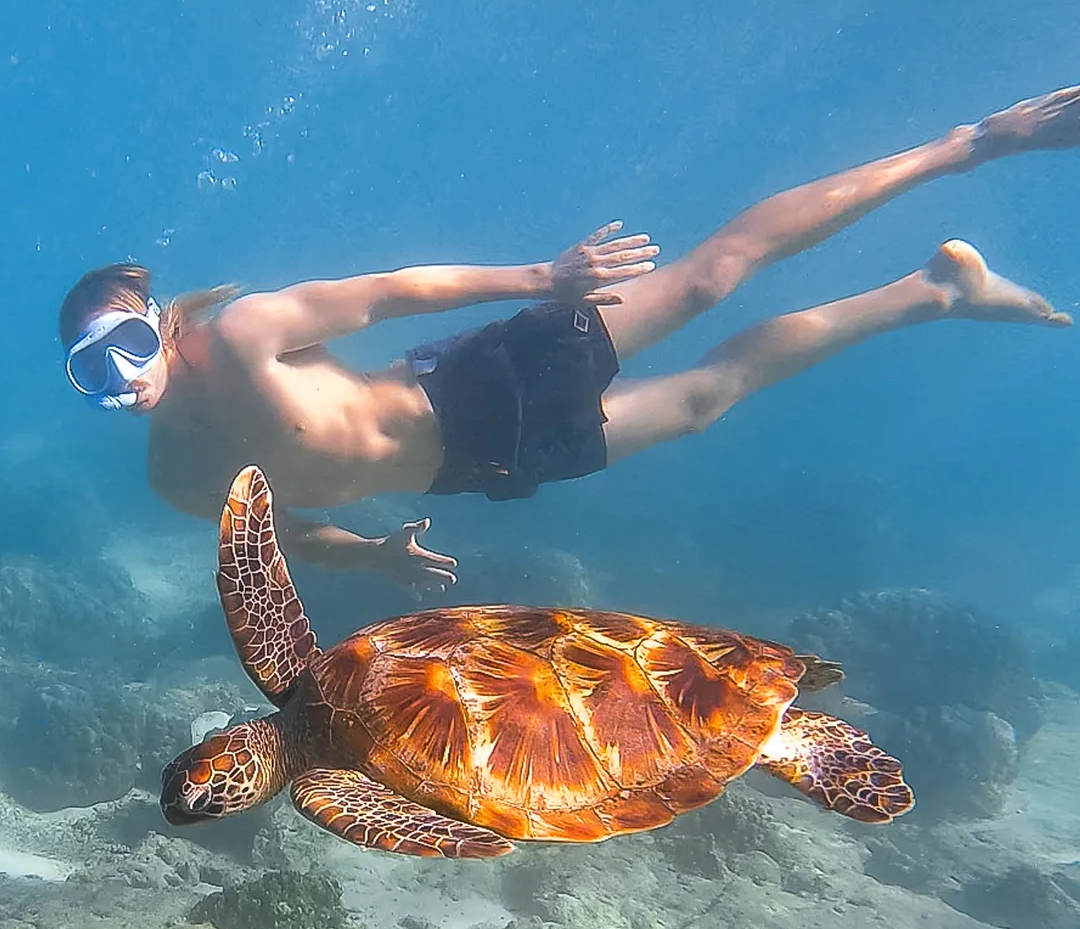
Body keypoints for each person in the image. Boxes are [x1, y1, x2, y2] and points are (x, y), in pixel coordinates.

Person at [61, 85, 1079, 593]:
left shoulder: (244, 334)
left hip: (472, 386)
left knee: (708, 276)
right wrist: (376, 556)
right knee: (702, 404)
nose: (120, 379)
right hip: (476, 468)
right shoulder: (172, 480)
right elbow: (276, 535)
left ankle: (965, 146)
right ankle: (936, 291)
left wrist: (542, 279)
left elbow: (390, 292)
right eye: (90, 371)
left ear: (158, 325)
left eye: (124, 346)